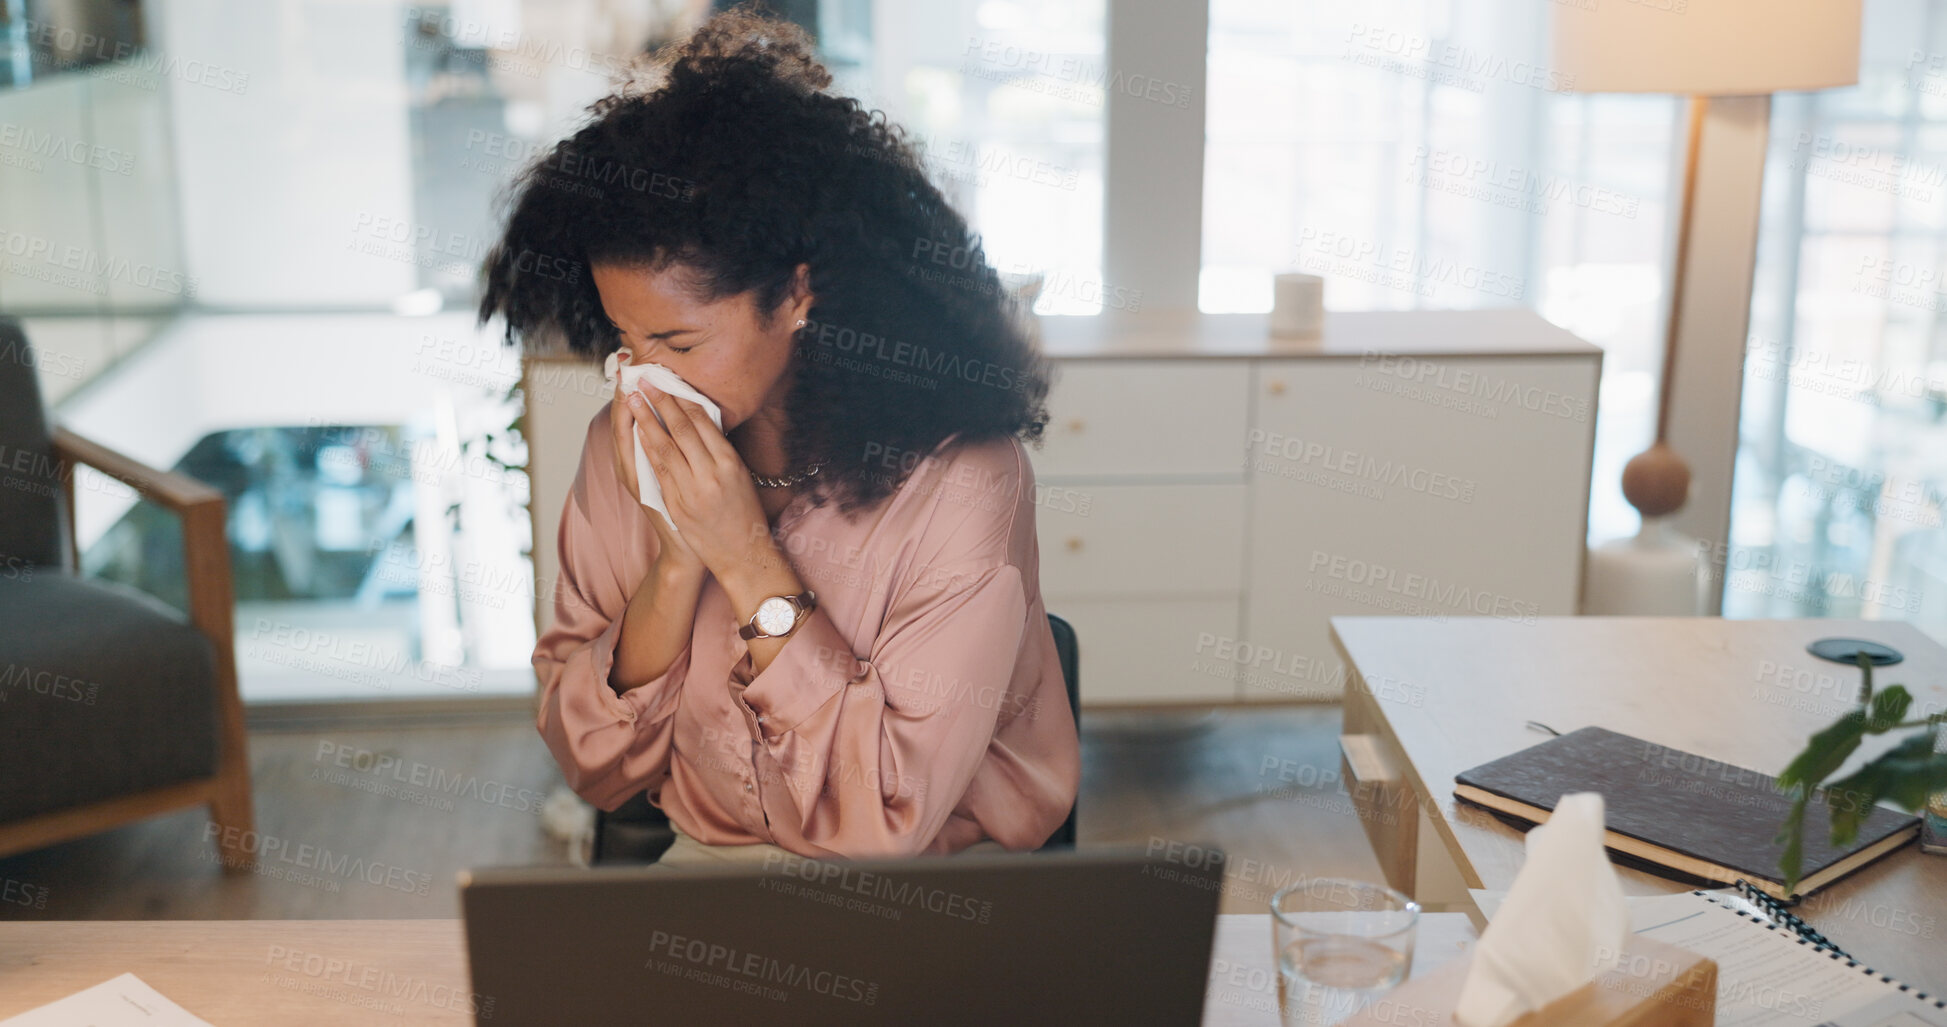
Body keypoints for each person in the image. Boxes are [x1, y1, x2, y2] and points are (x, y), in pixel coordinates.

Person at [477, 9, 1080, 864]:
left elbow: (887, 821)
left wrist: (745, 555)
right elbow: (594, 766)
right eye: (623, 338)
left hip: (943, 885)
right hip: (713, 870)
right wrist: (678, 559)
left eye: (678, 343)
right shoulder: (626, 447)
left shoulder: (962, 481)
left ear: (797, 295)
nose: (639, 376)